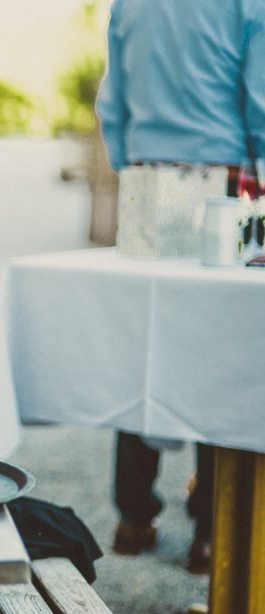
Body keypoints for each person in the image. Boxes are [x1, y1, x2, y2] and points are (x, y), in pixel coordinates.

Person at [95, 0, 265, 573]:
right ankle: (211, 531)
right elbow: (261, 99)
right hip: (220, 184)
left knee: (144, 337)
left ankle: (133, 515)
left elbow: (111, 103)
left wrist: (131, 165)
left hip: (145, 174)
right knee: (216, 350)